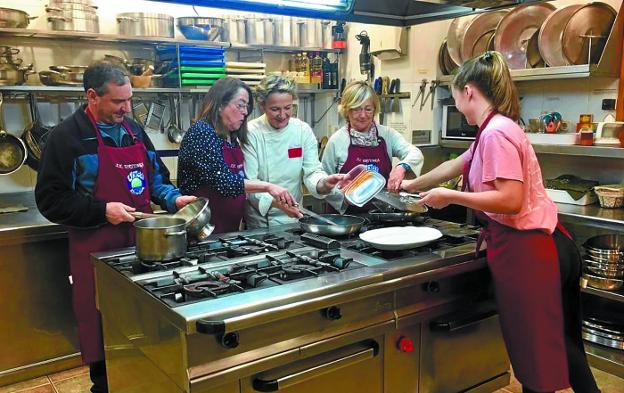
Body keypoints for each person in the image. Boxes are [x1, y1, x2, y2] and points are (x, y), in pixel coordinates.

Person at [401, 51, 599, 393]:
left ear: (469, 92)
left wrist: (450, 197)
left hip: (530, 251)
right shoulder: (494, 128)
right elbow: (458, 164)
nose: (457, 102)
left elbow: (511, 199)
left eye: (456, 94)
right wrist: (411, 184)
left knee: (534, 355)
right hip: (549, 244)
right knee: (562, 345)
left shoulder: (495, 134)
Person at [35, 62, 196, 393]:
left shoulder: (134, 131)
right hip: (96, 254)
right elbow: (50, 200)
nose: (127, 108)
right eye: (118, 102)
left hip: (143, 250)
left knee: (147, 327)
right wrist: (101, 210)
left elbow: (156, 181)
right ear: (92, 96)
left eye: (129, 100)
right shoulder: (67, 138)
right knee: (104, 331)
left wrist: (173, 199)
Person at [177, 77, 296, 234]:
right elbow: (224, 182)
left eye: (246, 106)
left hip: (228, 230)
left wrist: (276, 203)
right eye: (240, 105)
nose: (245, 112)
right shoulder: (202, 132)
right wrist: (268, 186)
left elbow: (241, 183)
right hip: (203, 231)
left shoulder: (231, 137)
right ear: (220, 105)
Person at [244, 75, 346, 228]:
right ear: (262, 106)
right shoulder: (251, 132)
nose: (282, 115)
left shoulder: (301, 130)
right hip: (262, 221)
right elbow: (250, 185)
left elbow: (312, 172)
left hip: (295, 217)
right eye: (275, 109)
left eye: (288, 108)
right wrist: (278, 204)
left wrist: (324, 183)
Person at [321, 80, 424, 213]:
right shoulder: (337, 141)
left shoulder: (387, 135)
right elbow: (323, 183)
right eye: (356, 109)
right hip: (346, 219)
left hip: (381, 215)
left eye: (368, 109)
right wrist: (344, 198)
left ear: (375, 109)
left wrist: (401, 167)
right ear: (347, 110)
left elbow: (415, 153)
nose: (363, 115)